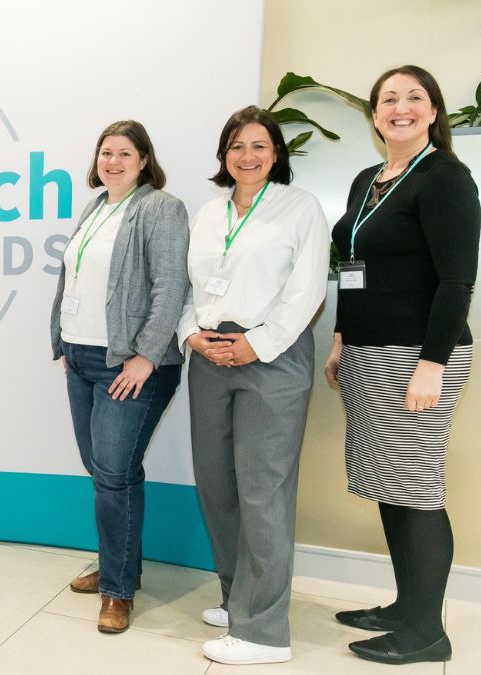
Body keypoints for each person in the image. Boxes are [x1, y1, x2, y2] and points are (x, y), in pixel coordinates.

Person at [324, 65, 479, 666]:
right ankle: (406, 606)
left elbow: (457, 279)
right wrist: (341, 335)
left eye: (415, 98)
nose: (401, 107)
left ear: (434, 112)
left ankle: (426, 631)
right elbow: (353, 267)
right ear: (374, 114)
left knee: (415, 487)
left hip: (417, 356)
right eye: (389, 99)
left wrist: (432, 363)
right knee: (393, 484)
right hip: (366, 350)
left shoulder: (444, 178)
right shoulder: (369, 179)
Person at [178, 106, 329, 664]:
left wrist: (257, 344)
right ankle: (236, 597)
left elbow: (308, 290)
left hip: (273, 356)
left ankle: (263, 632)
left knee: (263, 491)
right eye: (237, 146)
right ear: (224, 155)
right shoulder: (209, 212)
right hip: (209, 354)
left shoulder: (300, 208)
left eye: (259, 146)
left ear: (276, 153)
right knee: (217, 484)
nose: (247, 156)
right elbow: (188, 286)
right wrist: (191, 335)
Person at [50, 120, 189, 633]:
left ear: (144, 160)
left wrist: (146, 357)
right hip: (82, 358)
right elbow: (76, 279)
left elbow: (170, 287)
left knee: (113, 472)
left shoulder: (160, 207)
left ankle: (117, 590)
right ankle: (117, 566)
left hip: (131, 365)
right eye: (105, 152)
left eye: (124, 153)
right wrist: (65, 341)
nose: (112, 161)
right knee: (102, 468)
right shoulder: (96, 208)